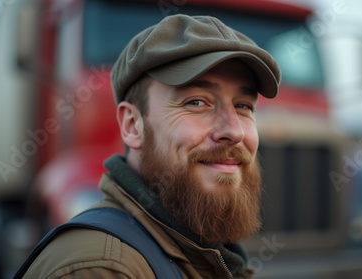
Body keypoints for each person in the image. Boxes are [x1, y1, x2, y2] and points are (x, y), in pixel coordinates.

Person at [21, 14, 280, 278]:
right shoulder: (100, 269)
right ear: (133, 125)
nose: (234, 131)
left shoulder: (209, 251)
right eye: (196, 102)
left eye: (243, 106)